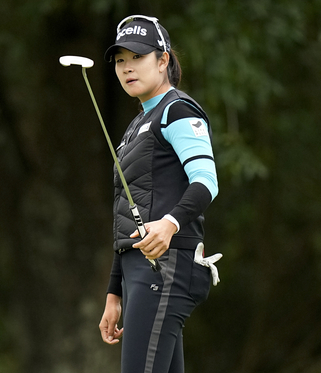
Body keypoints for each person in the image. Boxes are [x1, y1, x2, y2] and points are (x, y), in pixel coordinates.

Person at [98, 15, 222, 373]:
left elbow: (206, 181)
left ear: (163, 60)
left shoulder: (178, 110)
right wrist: (114, 291)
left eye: (137, 57)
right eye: (120, 60)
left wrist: (168, 225)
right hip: (141, 271)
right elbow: (128, 212)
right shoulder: (136, 125)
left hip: (165, 267)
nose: (127, 68)